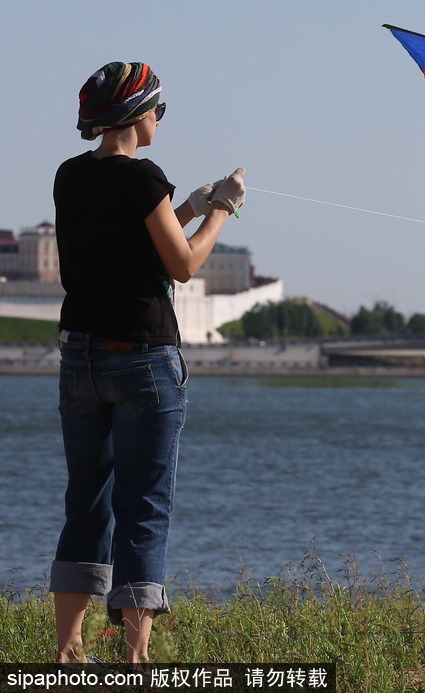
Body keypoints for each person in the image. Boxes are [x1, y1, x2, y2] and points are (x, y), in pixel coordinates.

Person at [49, 61, 245, 667]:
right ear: (138, 114)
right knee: (143, 507)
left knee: (86, 500)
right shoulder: (143, 177)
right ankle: (135, 660)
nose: (161, 118)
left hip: (80, 357)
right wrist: (221, 209)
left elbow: (125, 246)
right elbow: (182, 266)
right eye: (159, 108)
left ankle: (68, 653)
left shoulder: (69, 175)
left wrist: (182, 208)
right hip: (142, 359)